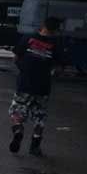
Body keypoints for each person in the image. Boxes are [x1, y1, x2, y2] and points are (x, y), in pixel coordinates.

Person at [9, 15, 64, 156]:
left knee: (17, 112)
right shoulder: (56, 44)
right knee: (39, 118)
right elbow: (58, 69)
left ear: (43, 25)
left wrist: (24, 70)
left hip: (24, 84)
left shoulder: (28, 38)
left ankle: (18, 131)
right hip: (42, 87)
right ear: (56, 30)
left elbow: (15, 58)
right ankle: (35, 146)